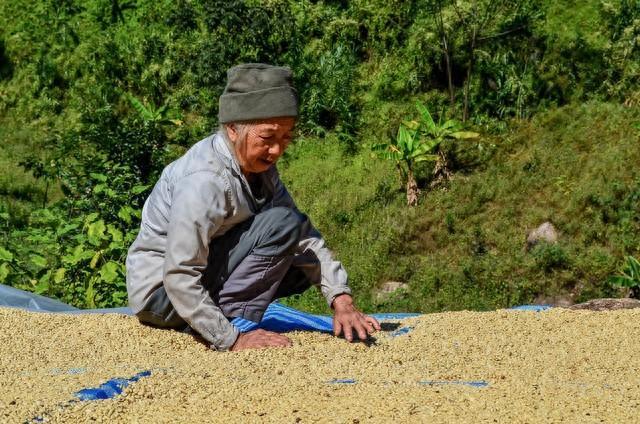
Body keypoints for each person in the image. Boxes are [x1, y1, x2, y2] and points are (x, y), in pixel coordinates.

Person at [126, 63, 380, 351]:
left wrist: (341, 300)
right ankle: (233, 320)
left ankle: (226, 314)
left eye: (286, 138)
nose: (277, 150)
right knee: (281, 225)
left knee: (297, 250)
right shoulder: (204, 181)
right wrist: (233, 339)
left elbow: (304, 235)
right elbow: (179, 274)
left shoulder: (259, 169)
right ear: (233, 129)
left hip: (202, 275)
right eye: (267, 138)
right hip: (161, 297)